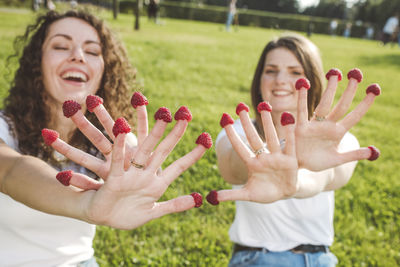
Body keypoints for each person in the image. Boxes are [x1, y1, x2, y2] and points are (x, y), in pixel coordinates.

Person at [0, 10, 209, 266]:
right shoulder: (3, 128)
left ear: (104, 70)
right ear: (37, 62)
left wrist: (140, 171)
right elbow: (9, 171)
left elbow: (134, 162)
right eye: (61, 46)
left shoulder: (115, 143)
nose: (77, 55)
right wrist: (84, 205)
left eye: (92, 51)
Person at [211, 34, 380, 266]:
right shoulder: (238, 132)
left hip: (319, 259)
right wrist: (264, 163)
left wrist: (294, 181)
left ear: (313, 80)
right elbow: (231, 168)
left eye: (295, 72)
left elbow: (327, 175)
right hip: (256, 258)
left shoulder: (338, 139)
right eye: (270, 70)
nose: (280, 79)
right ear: (259, 80)